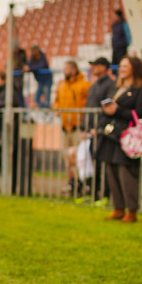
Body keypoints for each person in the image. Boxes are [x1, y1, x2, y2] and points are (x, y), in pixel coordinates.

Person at [96, 56, 142, 222]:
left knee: (126, 174)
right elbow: (107, 108)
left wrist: (117, 110)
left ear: (134, 68)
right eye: (121, 65)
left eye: (125, 66)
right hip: (110, 136)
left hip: (127, 138)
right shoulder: (115, 87)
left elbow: (138, 114)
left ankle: (131, 211)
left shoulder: (141, 90)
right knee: (111, 173)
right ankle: (118, 208)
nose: (122, 69)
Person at [53, 60, 89, 196]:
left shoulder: (84, 85)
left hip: (77, 127)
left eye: (67, 68)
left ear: (74, 70)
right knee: (67, 158)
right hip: (64, 127)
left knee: (79, 158)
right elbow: (56, 100)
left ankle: (82, 184)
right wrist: (57, 108)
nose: (64, 71)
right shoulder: (61, 85)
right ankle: (71, 183)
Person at [84, 57, 116, 201]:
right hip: (92, 132)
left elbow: (107, 108)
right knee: (93, 163)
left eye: (96, 65)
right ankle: (93, 193)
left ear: (104, 67)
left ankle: (105, 195)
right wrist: (86, 128)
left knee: (104, 165)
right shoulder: (94, 85)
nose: (93, 68)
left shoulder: (111, 85)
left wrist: (99, 128)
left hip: (102, 132)